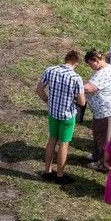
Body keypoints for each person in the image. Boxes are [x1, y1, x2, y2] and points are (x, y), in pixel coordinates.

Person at [38, 50, 87, 184]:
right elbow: (82, 102)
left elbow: (39, 90)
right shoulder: (76, 78)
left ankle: (47, 170)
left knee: (52, 140)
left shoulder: (50, 70)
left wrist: (48, 101)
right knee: (64, 144)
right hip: (67, 115)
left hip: (53, 112)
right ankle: (60, 174)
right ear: (77, 62)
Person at [85, 49, 111, 170]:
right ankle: (96, 155)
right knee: (98, 133)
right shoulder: (105, 68)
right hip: (102, 110)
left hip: (107, 110)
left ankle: (103, 162)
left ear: (96, 61)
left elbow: (89, 88)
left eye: (90, 64)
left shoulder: (103, 72)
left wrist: (75, 85)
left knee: (104, 137)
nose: (90, 67)